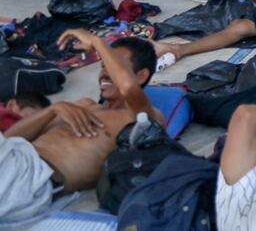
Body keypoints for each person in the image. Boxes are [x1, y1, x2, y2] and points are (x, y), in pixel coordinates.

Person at [1, 32, 161, 223]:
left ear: (141, 76)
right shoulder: (84, 105)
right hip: (12, 157)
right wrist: (52, 110)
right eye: (102, 66)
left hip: (30, 179)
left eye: (112, 65)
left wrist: (97, 42)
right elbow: (10, 138)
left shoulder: (142, 117)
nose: (103, 73)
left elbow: (128, 88)